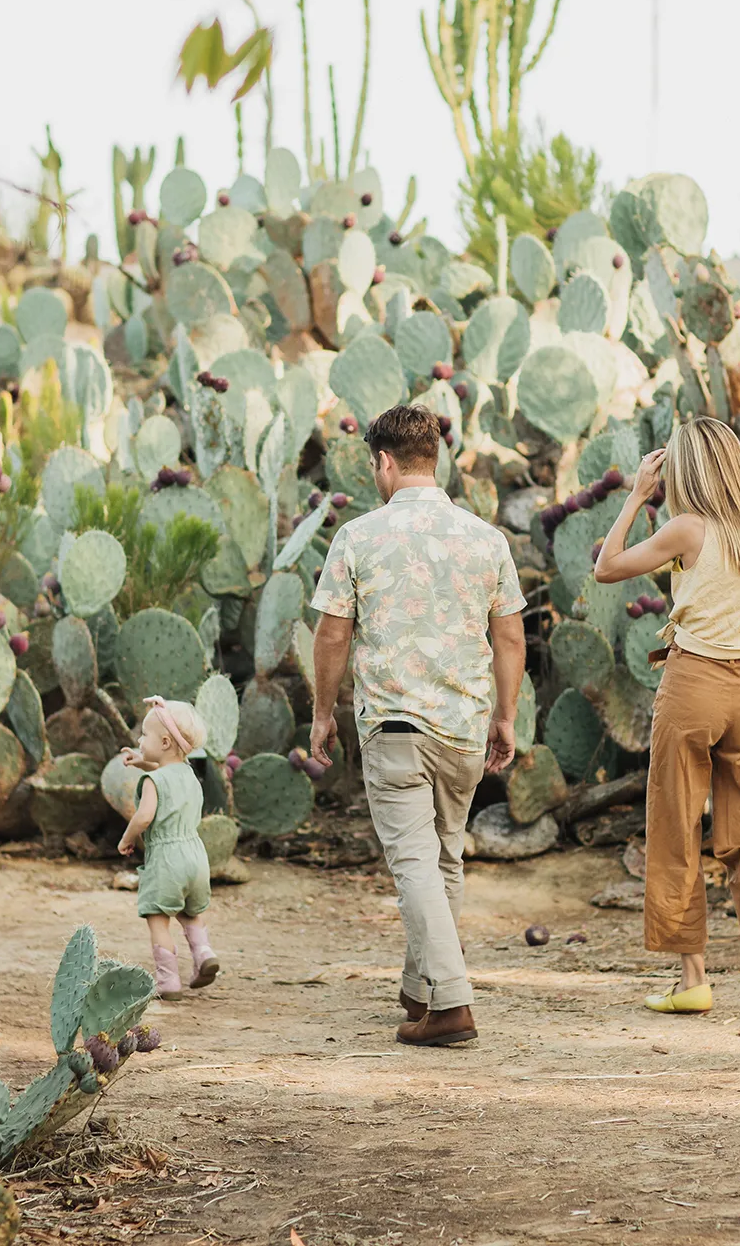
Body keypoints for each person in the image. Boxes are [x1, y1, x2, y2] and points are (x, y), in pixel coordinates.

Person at [309, 403, 528, 1047]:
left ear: (382, 461)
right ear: (435, 458)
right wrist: (506, 716)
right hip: (463, 726)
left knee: (414, 864)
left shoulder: (358, 536)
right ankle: (421, 989)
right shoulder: (486, 538)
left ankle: (453, 1004)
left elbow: (331, 632)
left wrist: (324, 713)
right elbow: (510, 635)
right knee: (443, 859)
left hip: (396, 725)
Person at [592, 417, 740, 1015]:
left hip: (693, 683)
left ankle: (693, 977)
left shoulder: (687, 530)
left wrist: (637, 495)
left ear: (688, 471)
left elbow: (606, 567)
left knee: (676, 826)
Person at [118, 696, 219, 1001]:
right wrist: (141, 759)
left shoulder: (153, 781)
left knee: (158, 919)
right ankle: (203, 954)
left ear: (163, 742)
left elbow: (144, 816)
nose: (139, 739)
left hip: (166, 860)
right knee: (191, 913)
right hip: (196, 857)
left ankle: (168, 981)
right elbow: (170, 770)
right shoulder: (190, 774)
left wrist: (126, 838)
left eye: (144, 735)